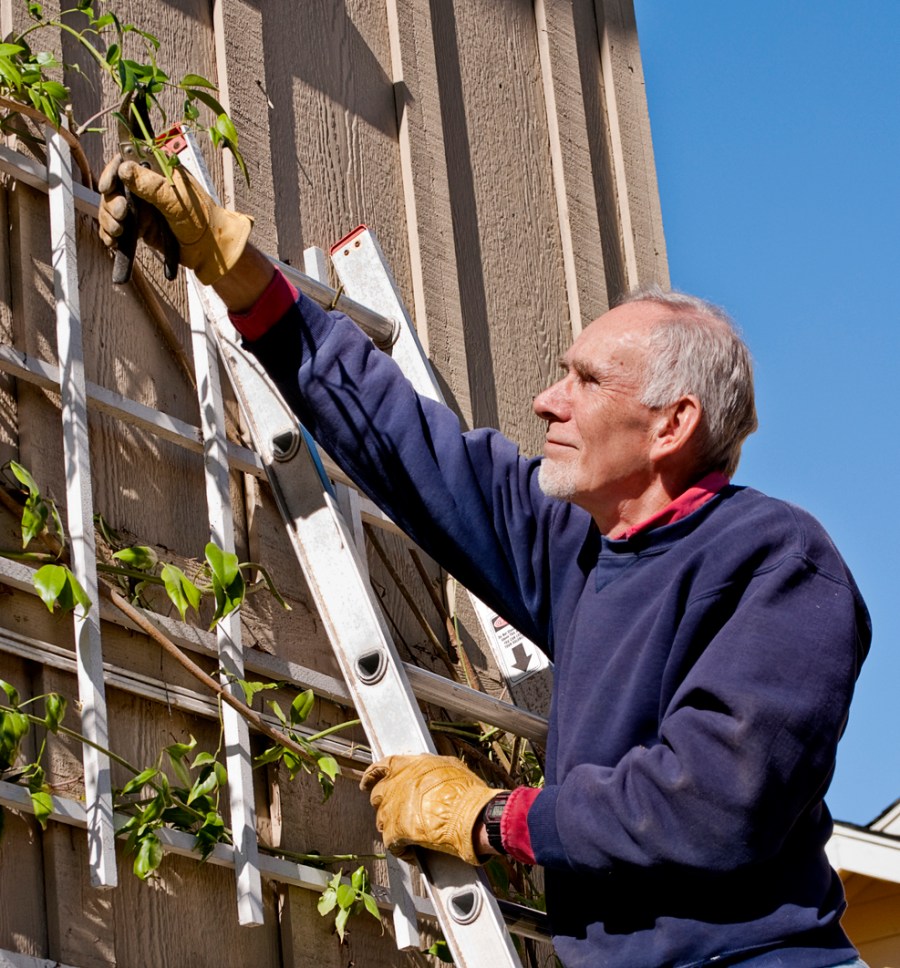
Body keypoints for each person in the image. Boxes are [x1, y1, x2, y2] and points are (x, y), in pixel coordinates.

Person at [98, 158, 871, 968]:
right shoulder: (581, 550)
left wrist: (495, 818)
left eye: (586, 380)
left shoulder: (775, 563)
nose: (549, 398)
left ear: (672, 424)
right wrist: (235, 269)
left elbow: (715, 799)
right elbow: (409, 445)